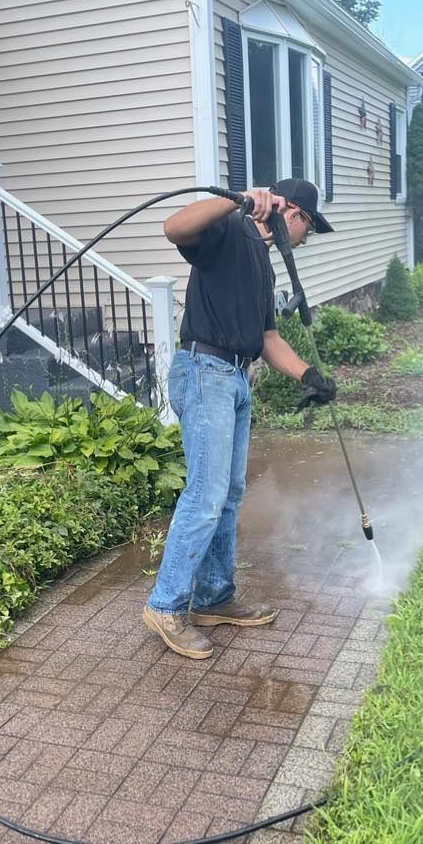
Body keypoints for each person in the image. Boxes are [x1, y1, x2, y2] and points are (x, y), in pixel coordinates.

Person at [143, 178, 338, 659]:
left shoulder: (260, 261)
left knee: (227, 494)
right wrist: (238, 198)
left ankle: (213, 597)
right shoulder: (229, 230)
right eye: (308, 226)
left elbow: (267, 338)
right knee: (206, 495)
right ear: (290, 213)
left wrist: (307, 374)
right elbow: (173, 227)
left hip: (234, 377)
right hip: (204, 369)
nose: (307, 238)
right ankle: (165, 605)